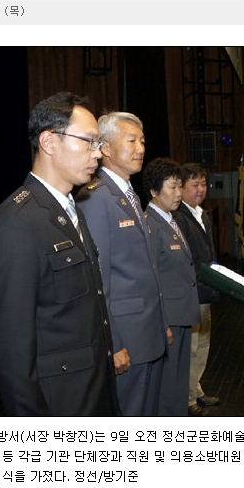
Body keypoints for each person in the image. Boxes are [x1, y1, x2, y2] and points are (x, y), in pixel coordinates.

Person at [0, 91, 118, 416]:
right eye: (89, 141)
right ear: (49, 142)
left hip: (93, 391)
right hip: (59, 403)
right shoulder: (16, 224)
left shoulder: (70, 209)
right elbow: (11, 350)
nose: (98, 153)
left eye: (99, 143)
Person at [76, 111, 168, 416]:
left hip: (148, 333)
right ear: (104, 148)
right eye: (131, 141)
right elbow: (99, 279)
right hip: (126, 338)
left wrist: (161, 325)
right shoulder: (96, 199)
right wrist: (112, 343)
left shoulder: (129, 195)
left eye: (142, 141)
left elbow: (146, 271)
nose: (140, 148)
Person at [143, 158, 201, 416]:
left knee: (179, 384)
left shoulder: (170, 220)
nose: (178, 193)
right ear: (154, 191)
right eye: (172, 187)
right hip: (169, 319)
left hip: (182, 315)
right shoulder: (150, 225)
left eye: (179, 186)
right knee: (168, 388)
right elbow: (151, 278)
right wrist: (162, 322)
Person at [174, 163, 221, 416]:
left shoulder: (202, 214)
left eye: (203, 184)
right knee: (191, 348)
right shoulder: (179, 217)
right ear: (181, 188)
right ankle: (187, 398)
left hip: (206, 290)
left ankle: (196, 389)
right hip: (192, 293)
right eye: (195, 185)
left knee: (203, 345)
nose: (201, 189)